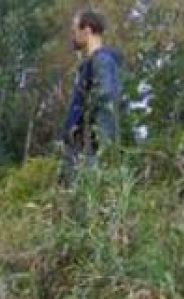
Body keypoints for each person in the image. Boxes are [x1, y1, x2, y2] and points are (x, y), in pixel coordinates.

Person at [61, 9, 125, 181]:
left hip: (88, 152)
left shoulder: (102, 61)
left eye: (74, 31)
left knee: (85, 201)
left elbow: (106, 103)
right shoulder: (89, 65)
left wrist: (101, 149)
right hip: (79, 150)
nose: (73, 36)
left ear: (87, 30)